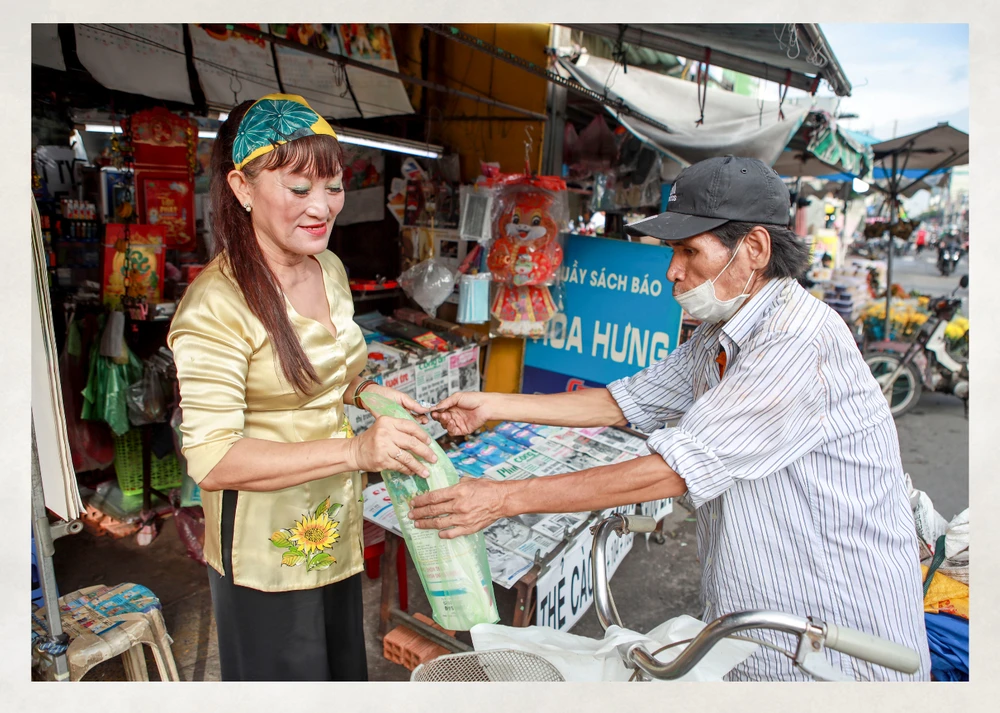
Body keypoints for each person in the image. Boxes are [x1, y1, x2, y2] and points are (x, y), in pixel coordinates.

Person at [410, 156, 930, 681]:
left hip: (837, 648)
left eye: (688, 251)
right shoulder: (721, 332)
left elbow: (673, 470)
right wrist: (495, 404)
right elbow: (623, 401)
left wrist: (501, 498)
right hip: (758, 630)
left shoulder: (796, 342)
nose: (672, 271)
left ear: (754, 249)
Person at [167, 94, 437, 681]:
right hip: (265, 551)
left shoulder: (329, 268)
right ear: (242, 188)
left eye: (334, 186)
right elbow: (211, 460)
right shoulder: (216, 306)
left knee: (340, 675)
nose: (322, 207)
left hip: (333, 524)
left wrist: (370, 395)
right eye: (298, 189)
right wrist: (356, 451)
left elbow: (332, 377)